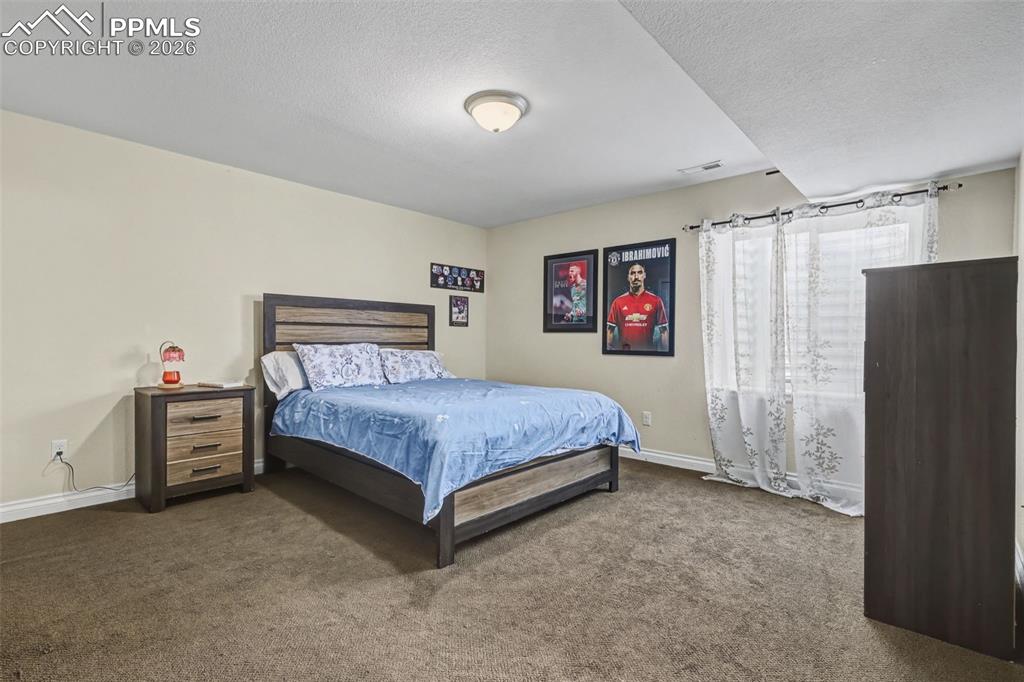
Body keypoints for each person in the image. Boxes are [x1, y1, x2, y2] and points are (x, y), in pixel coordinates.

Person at [606, 262, 668, 351]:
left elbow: (664, 332)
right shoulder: (618, 302)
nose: (636, 277)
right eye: (632, 273)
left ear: (644, 275)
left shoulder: (656, 301)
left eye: (639, 272)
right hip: (624, 356)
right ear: (628, 277)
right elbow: (609, 331)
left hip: (649, 356)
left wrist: (665, 357)